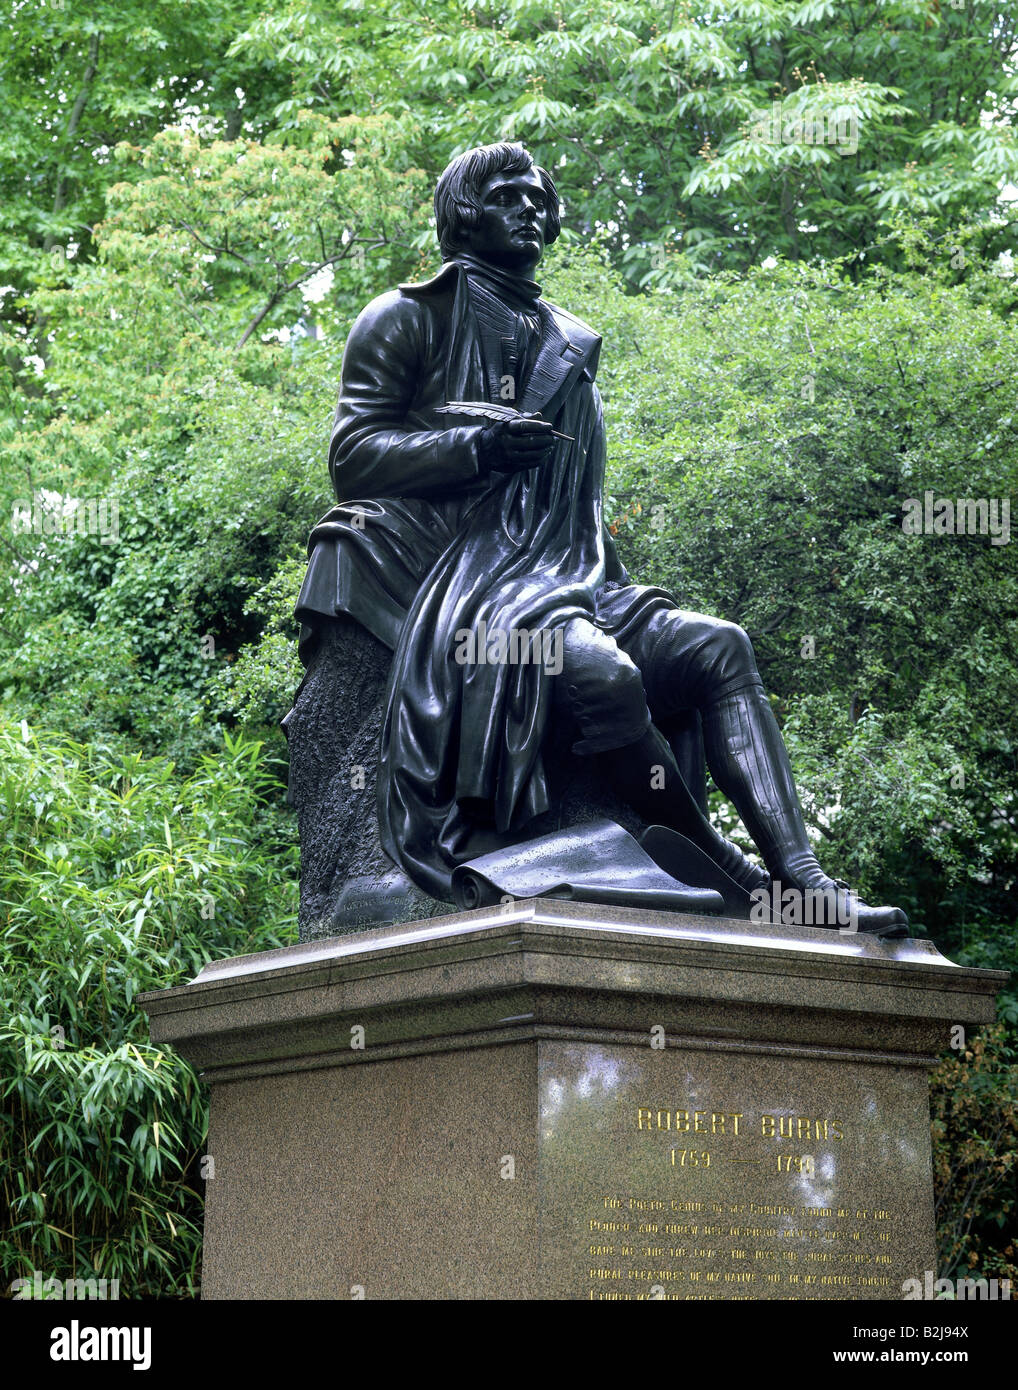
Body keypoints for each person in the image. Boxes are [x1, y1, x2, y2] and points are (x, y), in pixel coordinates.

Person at [292, 141, 908, 936]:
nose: (531, 206)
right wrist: (474, 447)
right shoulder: (408, 316)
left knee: (722, 648)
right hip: (472, 585)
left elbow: (578, 505)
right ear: (464, 211)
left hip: (576, 575)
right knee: (603, 677)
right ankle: (718, 865)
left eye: (539, 195)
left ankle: (804, 880)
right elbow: (352, 456)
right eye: (509, 193)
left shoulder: (570, 342)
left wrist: (593, 576)